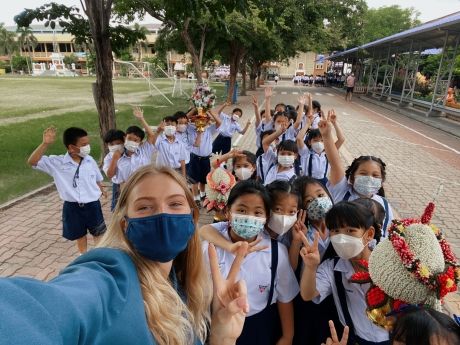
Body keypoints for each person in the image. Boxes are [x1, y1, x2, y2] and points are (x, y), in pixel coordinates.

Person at [0, 166, 251, 345]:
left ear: (192, 218)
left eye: (175, 204)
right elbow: (48, 309)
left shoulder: (183, 286)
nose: (161, 215)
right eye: (144, 207)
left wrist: (222, 337)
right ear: (125, 226)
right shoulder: (110, 276)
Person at [201, 180, 299, 345]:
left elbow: (285, 297)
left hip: (259, 326)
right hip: (216, 323)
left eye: (257, 212)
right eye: (241, 210)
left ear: (266, 217)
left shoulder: (277, 252)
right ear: (227, 212)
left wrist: (287, 336)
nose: (249, 217)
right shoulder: (209, 250)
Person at [299, 201, 389, 345]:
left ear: (369, 234)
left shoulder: (389, 260)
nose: (341, 238)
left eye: (350, 230)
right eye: (335, 231)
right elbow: (308, 294)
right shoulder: (332, 268)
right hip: (357, 339)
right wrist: (310, 267)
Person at [27, 126, 106, 255]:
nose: (88, 147)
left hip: (93, 205)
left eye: (88, 143)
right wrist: (45, 144)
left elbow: (96, 178)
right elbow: (32, 161)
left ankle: (99, 256)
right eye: (84, 144)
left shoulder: (89, 160)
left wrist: (100, 186)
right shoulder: (57, 163)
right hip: (72, 207)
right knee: (80, 235)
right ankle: (83, 257)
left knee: (98, 233)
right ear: (71, 147)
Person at [319, 115, 395, 237]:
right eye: (363, 174)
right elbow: (335, 162)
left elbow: (386, 235)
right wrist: (327, 135)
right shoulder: (341, 191)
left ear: (382, 181)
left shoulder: (384, 204)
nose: (369, 178)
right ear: (352, 177)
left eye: (375, 175)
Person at [107, 107, 156, 187]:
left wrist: (141, 119)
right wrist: (115, 159)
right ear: (124, 138)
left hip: (145, 185)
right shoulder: (118, 155)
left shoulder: (145, 151)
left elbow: (151, 135)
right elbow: (110, 175)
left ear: (140, 143)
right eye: (129, 138)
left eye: (136, 140)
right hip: (126, 188)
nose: (132, 141)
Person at [296, 110, 344, 186]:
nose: (319, 143)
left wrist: (334, 123)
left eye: (322, 141)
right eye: (315, 140)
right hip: (307, 181)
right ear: (309, 142)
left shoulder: (328, 154)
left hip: (323, 182)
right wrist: (308, 124)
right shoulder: (306, 153)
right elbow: (299, 138)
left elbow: (341, 139)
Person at [187, 108, 222, 207]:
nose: (200, 121)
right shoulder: (190, 128)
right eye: (198, 118)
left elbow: (219, 122)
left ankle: (203, 195)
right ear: (193, 119)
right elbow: (183, 120)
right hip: (195, 158)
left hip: (206, 158)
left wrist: (209, 111)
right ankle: (196, 199)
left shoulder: (208, 129)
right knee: (194, 180)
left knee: (203, 179)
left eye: (203, 119)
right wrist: (194, 109)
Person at [102, 129, 125, 211]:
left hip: (133, 184)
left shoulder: (129, 153)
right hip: (118, 186)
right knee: (118, 210)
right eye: (111, 144)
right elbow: (110, 175)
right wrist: (114, 159)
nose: (115, 146)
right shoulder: (108, 158)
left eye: (118, 143)